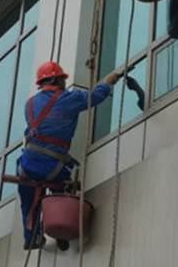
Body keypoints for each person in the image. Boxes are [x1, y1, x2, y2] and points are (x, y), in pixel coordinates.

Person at [17, 61, 120, 251]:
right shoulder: (67, 98)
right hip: (52, 165)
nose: (65, 83)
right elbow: (95, 96)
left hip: (27, 164)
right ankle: (60, 229)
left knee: (29, 201)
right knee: (61, 189)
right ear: (55, 80)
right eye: (62, 79)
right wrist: (108, 81)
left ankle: (31, 237)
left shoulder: (29, 104)